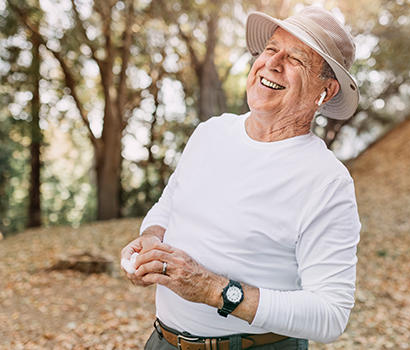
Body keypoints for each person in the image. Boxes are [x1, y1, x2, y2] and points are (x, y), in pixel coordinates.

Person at [121, 6, 361, 350]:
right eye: (270, 48)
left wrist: (213, 290)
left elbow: (331, 314)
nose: (273, 63)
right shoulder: (211, 132)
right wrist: (150, 239)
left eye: (296, 59)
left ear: (326, 91)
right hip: (162, 342)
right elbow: (170, 204)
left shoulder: (327, 182)